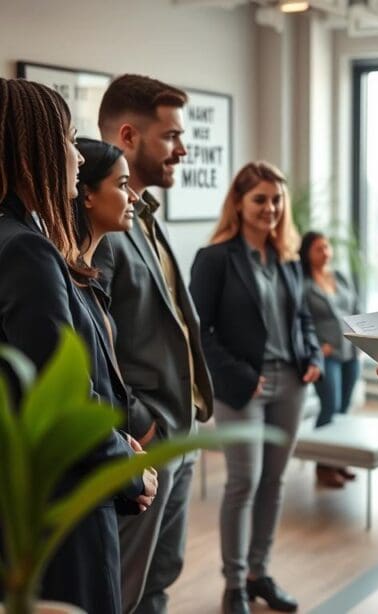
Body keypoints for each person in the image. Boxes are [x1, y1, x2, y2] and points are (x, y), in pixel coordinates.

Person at [0, 78, 156, 614]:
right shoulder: (25, 250)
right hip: (61, 503)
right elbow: (61, 395)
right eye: (68, 139)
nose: (74, 153)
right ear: (38, 148)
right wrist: (127, 467)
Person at [94, 74, 214, 614]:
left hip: (178, 431)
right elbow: (94, 344)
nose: (182, 149)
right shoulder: (99, 225)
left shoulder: (142, 213)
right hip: (143, 439)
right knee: (121, 586)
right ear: (128, 136)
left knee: (160, 578)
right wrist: (142, 423)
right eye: (170, 137)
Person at [189, 161, 323, 614]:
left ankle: (258, 573)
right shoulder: (215, 259)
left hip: (291, 383)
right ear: (240, 203)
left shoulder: (287, 258)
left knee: (274, 481)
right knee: (243, 481)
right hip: (242, 385)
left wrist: (314, 356)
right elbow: (199, 331)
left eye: (276, 199)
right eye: (260, 199)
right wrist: (242, 377)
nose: (270, 208)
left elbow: (303, 318)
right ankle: (234, 585)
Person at [299, 230, 361, 488]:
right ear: (306, 253)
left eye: (327, 247)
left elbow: (356, 308)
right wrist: (314, 346)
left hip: (350, 351)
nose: (325, 252)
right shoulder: (303, 284)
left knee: (344, 407)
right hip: (327, 355)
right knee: (330, 405)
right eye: (318, 249)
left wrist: (362, 338)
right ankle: (323, 465)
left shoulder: (340, 277)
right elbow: (302, 320)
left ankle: (337, 460)